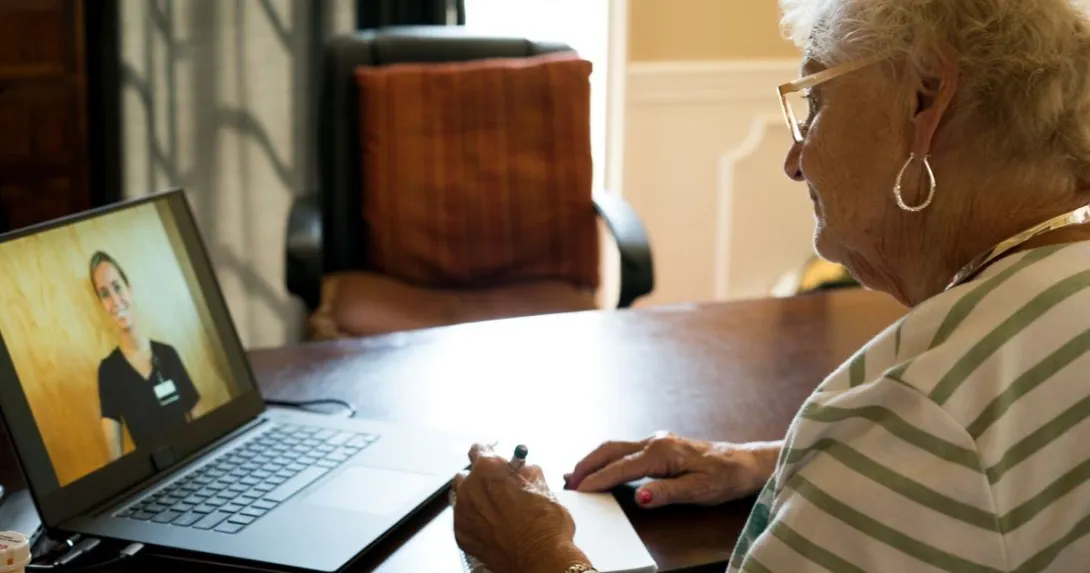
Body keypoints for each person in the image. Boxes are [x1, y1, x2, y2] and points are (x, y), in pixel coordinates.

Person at [450, 0, 1090, 571]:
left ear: (925, 98)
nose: (795, 158)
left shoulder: (921, 414)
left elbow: (954, 447)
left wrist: (535, 552)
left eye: (814, 102)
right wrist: (783, 464)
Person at [90, 251, 200, 460]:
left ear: (129, 289)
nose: (115, 300)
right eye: (104, 294)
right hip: (154, 478)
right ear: (102, 306)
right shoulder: (108, 372)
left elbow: (197, 417)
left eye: (117, 287)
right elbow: (116, 461)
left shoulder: (167, 354)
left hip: (192, 463)